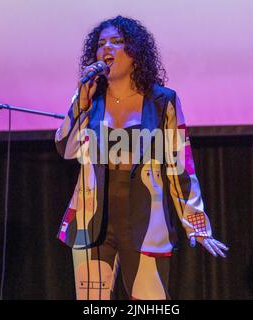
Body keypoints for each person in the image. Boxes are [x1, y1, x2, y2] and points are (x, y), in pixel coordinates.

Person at [55, 15, 228, 300]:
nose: (106, 48)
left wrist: (197, 224)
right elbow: (65, 148)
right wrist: (80, 102)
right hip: (92, 218)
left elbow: (180, 167)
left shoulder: (163, 101)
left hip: (146, 219)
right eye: (100, 44)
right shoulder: (89, 98)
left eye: (117, 41)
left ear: (135, 52)